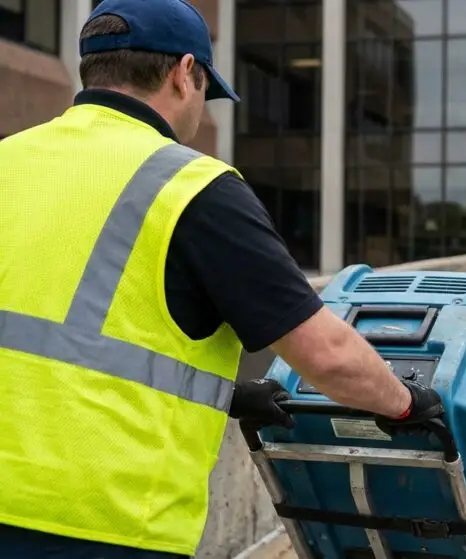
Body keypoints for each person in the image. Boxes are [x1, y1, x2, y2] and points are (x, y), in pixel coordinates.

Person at [0, 0, 442, 557]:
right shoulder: (189, 185)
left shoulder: (9, 159)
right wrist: (404, 404)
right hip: (101, 525)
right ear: (185, 73)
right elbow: (327, 355)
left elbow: (52, 328)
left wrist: (221, 392)